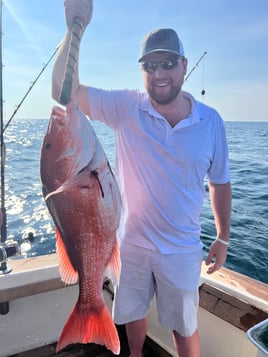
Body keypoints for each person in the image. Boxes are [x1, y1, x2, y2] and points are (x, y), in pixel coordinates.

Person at [52, 1, 232, 356]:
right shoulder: (126, 107)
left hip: (181, 248)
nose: (159, 72)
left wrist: (224, 237)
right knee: (133, 315)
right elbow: (62, 89)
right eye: (150, 65)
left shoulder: (211, 123)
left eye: (167, 63)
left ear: (184, 65)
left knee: (184, 326)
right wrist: (75, 29)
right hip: (128, 242)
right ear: (142, 71)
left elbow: (220, 182)